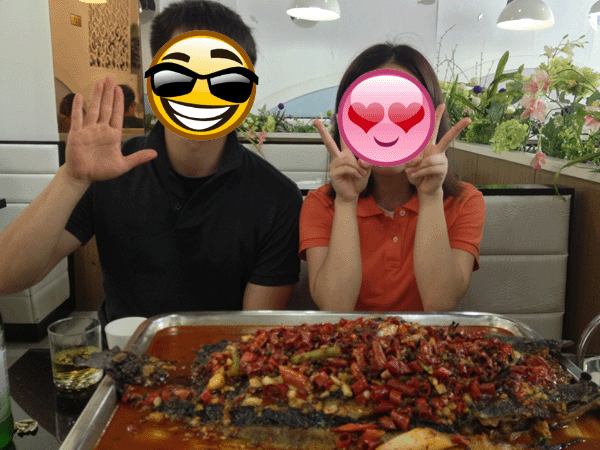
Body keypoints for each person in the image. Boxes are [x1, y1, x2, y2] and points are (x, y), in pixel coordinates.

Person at [0, 0, 302, 330]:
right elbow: (6, 276)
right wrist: (72, 179)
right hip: (123, 354)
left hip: (225, 359)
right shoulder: (108, 171)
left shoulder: (278, 197)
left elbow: (256, 330)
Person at [300, 43, 485, 312]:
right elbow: (335, 307)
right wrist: (346, 202)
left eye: (405, 112)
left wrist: (431, 197)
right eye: (369, 112)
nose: (386, 128)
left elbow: (440, 303)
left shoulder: (464, 201)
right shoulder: (321, 204)